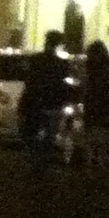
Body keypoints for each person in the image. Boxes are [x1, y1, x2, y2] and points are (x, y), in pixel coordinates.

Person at [18, 30, 72, 172]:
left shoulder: (35, 60)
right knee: (49, 135)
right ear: (58, 44)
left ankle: (36, 158)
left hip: (35, 102)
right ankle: (43, 161)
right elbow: (64, 85)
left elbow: (28, 82)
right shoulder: (62, 64)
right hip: (53, 103)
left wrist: (24, 103)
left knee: (31, 132)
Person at [80, 40, 109, 169]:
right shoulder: (107, 71)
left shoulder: (102, 72)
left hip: (100, 113)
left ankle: (93, 169)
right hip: (98, 114)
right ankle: (96, 169)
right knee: (97, 145)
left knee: (95, 144)